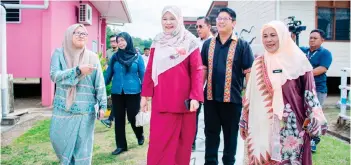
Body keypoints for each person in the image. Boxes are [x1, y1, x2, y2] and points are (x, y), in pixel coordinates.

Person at [240, 20, 328, 165]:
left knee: (288, 159)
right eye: (265, 36)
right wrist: (244, 120)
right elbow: (250, 95)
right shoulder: (258, 62)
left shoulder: (298, 60)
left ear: (282, 36)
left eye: (273, 35)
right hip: (261, 125)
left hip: (291, 125)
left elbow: (309, 92)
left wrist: (314, 117)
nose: (269, 40)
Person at [140, 6, 204, 165]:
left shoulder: (190, 40)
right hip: (161, 102)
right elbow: (150, 69)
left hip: (184, 105)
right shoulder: (157, 40)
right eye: (165, 19)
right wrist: (144, 96)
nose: (168, 23)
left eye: (172, 18)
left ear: (179, 19)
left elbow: (197, 70)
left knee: (181, 147)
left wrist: (195, 96)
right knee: (158, 146)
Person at [201, 7, 254, 165]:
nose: (221, 21)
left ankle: (229, 162)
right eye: (218, 18)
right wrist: (197, 92)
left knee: (230, 136)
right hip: (210, 98)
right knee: (210, 134)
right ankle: (210, 162)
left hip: (233, 100)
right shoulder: (207, 45)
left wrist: (248, 96)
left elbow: (249, 73)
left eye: (225, 18)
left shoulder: (243, 46)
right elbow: (203, 70)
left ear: (234, 23)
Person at [49, 24, 107, 165]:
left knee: (82, 149)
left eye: (84, 34)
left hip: (84, 112)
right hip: (63, 109)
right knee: (58, 140)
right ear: (69, 34)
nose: (81, 36)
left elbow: (99, 82)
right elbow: (54, 76)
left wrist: (102, 105)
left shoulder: (92, 57)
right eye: (77, 33)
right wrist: (77, 70)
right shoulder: (59, 54)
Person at [104, 32, 145, 155]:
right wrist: (100, 86)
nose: (120, 43)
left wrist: (145, 94)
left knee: (133, 117)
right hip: (117, 92)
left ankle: (139, 134)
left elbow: (143, 76)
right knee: (119, 119)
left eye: (122, 40)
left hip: (133, 92)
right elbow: (108, 74)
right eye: (118, 41)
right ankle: (121, 146)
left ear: (128, 41)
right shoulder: (115, 57)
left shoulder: (138, 57)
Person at [300, 29, 332, 152]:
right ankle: (304, 139)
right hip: (303, 88)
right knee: (303, 114)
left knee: (314, 115)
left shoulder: (325, 53)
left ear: (322, 40)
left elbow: (321, 69)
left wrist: (302, 73)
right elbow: (290, 51)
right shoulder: (303, 50)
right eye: (310, 38)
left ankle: (314, 140)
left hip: (318, 89)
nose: (312, 40)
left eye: (315, 38)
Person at [192, 16, 213, 151]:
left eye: (201, 26)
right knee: (194, 114)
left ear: (209, 26)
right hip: (197, 85)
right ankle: (192, 140)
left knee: (210, 117)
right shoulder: (194, 43)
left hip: (211, 85)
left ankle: (210, 140)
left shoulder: (215, 42)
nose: (198, 29)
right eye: (197, 27)